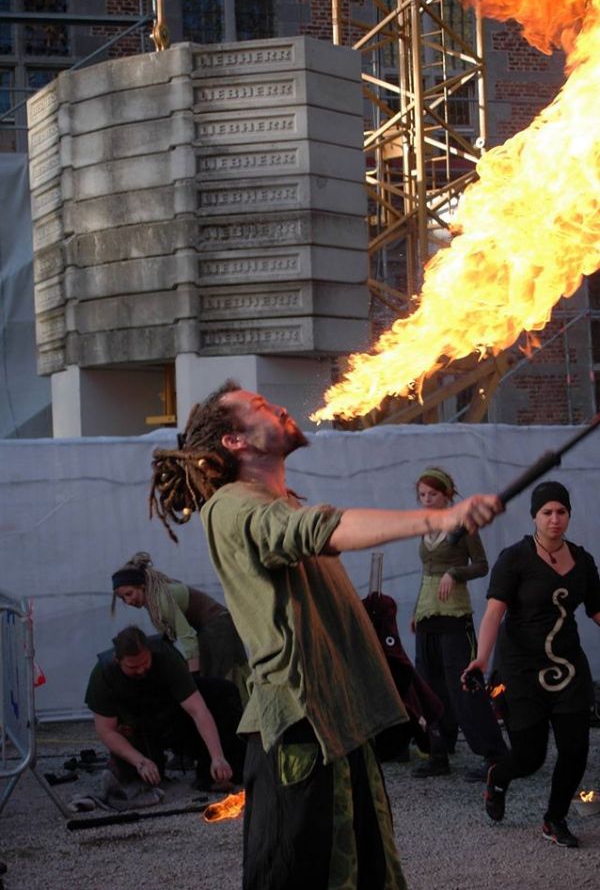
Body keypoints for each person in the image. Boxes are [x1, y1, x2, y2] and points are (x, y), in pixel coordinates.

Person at [148, 380, 502, 890]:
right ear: (235, 441)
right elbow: (320, 530)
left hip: (339, 724)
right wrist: (442, 515)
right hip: (303, 731)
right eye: (261, 407)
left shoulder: (282, 501)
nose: (281, 406)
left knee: (368, 872)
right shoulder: (231, 506)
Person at [464, 481, 600, 848]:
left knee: (575, 750)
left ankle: (554, 820)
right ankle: (498, 777)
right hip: (523, 669)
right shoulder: (515, 558)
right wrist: (481, 657)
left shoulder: (583, 561)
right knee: (529, 757)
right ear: (535, 517)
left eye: (561, 512)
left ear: (569, 514)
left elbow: (596, 610)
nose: (555, 519)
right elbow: (494, 613)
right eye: (547, 513)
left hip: (569, 668)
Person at [411, 467, 508, 780]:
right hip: (428, 613)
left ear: (447, 494)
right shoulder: (424, 525)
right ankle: (439, 752)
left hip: (454, 614)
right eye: (422, 495)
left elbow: (481, 565)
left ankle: (493, 754)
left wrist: (455, 572)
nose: (427, 500)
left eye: (433, 495)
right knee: (429, 684)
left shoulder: (464, 525)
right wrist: (417, 609)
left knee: (464, 683)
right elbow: (426, 572)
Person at [85, 626, 245, 791]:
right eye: (133, 668)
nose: (140, 670)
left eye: (145, 663)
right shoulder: (103, 675)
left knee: (223, 692)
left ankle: (212, 770)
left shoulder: (165, 656)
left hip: (169, 714)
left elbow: (198, 710)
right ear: (118, 661)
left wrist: (217, 757)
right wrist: (140, 762)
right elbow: (106, 731)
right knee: (144, 780)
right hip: (136, 726)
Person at [111, 551, 250, 705]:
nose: (128, 600)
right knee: (221, 676)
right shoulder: (152, 601)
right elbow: (167, 638)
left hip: (218, 627)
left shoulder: (161, 600)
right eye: (123, 598)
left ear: (141, 586)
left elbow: (187, 636)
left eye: (129, 594)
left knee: (223, 677)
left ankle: (242, 719)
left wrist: (194, 677)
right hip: (210, 627)